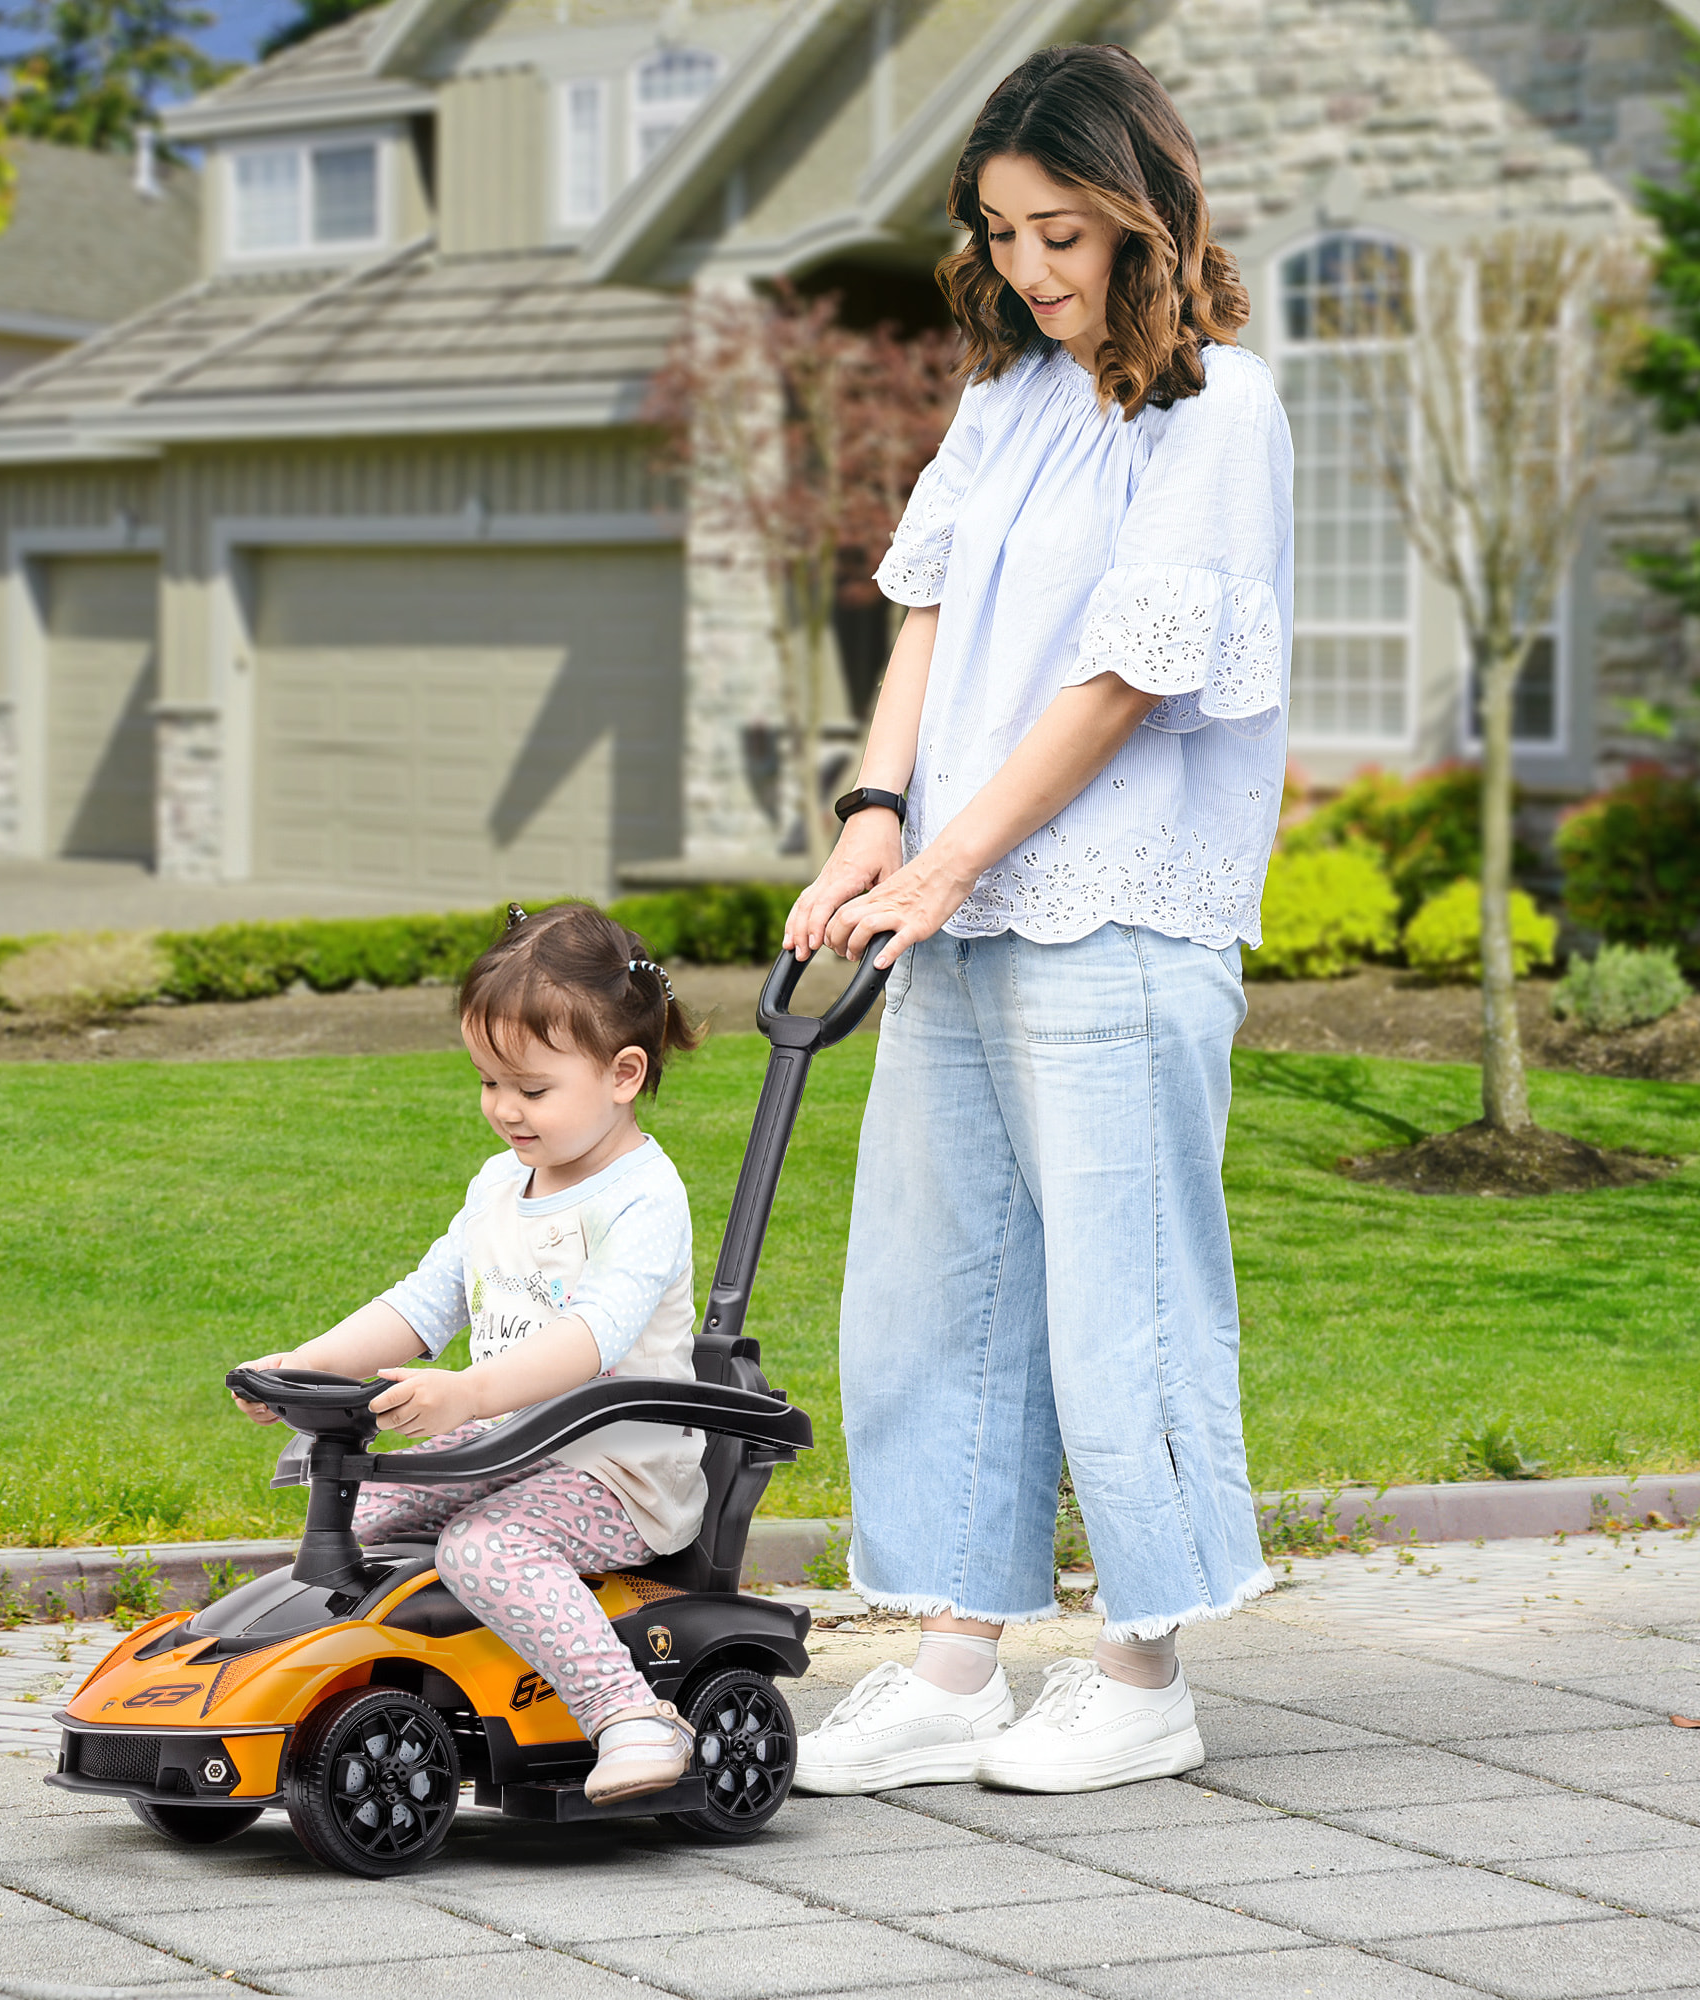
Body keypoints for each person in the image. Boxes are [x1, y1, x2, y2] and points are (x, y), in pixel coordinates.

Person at [786, 43, 1293, 1797]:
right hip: (962, 916)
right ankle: (951, 1665)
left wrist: (943, 863)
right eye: (1002, 234)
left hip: (1118, 918)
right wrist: (872, 822)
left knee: (1120, 1297)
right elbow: (922, 618)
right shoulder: (1002, 403)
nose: (1032, 268)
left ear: (1149, 215)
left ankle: (1146, 1668)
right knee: (938, 1292)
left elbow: (1123, 684)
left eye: (1065, 231)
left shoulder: (1216, 412)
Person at [233, 901, 707, 1806]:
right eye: (489, 1082)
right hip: (504, 1447)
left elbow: (592, 1339)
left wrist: (468, 1393)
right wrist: (310, 1363)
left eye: (530, 1089)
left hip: (614, 1472)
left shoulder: (643, 1197)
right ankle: (378, 1692)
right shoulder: (500, 1184)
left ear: (623, 1073)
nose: (504, 1110)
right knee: (360, 1508)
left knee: (487, 1545)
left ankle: (627, 1714)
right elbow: (421, 1305)